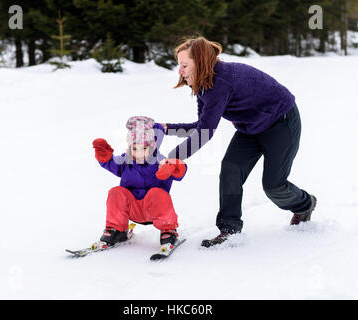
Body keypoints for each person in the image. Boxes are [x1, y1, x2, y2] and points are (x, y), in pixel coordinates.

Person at [160, 37, 317, 248]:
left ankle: (305, 204)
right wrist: (166, 128)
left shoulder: (220, 83)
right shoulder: (204, 84)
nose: (180, 71)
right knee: (230, 169)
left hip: (281, 122)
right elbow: (202, 125)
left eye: (184, 65)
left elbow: (204, 133)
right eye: (179, 65)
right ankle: (229, 230)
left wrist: (174, 157)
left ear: (201, 62)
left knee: (274, 186)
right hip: (250, 127)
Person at [92, 116, 187, 253]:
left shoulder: (160, 162)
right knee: (116, 192)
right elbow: (111, 164)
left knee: (157, 193)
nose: (139, 153)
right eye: (134, 149)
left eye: (144, 148)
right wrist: (104, 155)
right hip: (133, 209)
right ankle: (117, 230)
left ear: (152, 147)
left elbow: (180, 171)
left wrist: (174, 167)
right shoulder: (126, 161)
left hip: (154, 210)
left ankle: (168, 231)